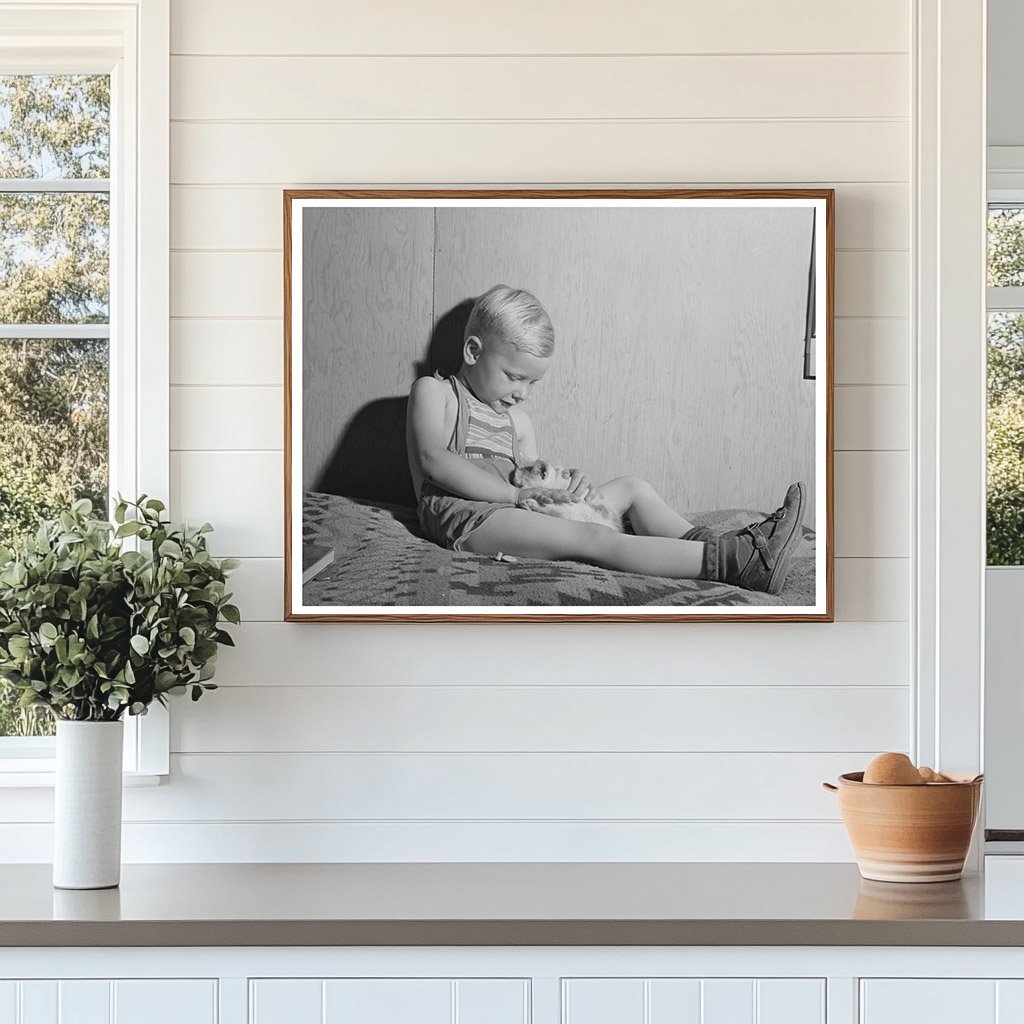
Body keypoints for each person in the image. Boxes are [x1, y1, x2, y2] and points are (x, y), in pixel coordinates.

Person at [406, 284, 805, 594]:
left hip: (521, 509)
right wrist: (514, 498)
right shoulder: (436, 393)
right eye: (514, 376)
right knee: (593, 536)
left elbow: (532, 480)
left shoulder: (519, 422)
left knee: (632, 486)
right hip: (470, 516)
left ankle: (717, 543)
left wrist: (566, 485)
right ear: (473, 351)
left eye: (533, 382)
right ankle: (736, 562)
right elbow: (433, 460)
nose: (523, 393)